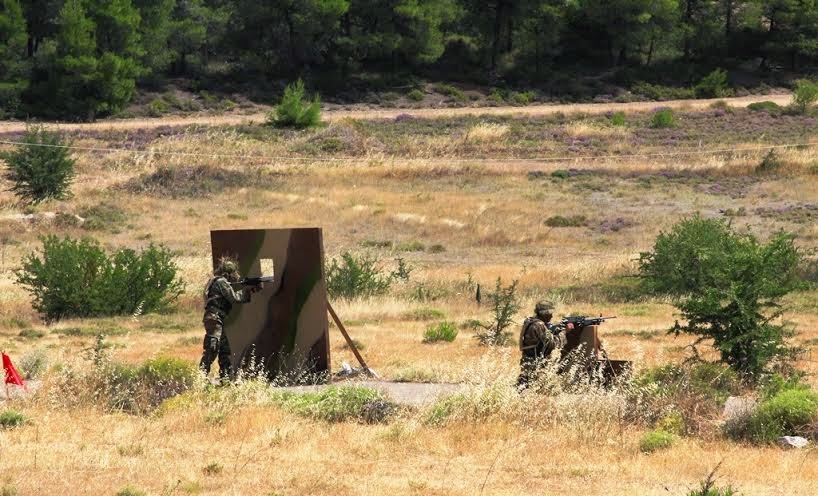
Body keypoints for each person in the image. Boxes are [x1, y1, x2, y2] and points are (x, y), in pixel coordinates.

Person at [200, 257, 263, 380]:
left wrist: (249, 290)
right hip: (214, 318)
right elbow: (234, 298)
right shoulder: (220, 282)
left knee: (224, 350)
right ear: (228, 273)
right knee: (213, 347)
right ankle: (201, 377)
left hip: (216, 319)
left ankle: (226, 377)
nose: (235, 275)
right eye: (233, 273)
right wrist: (247, 290)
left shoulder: (216, 281)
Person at [517, 300, 574, 389]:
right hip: (536, 364)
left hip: (529, 360)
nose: (551, 316)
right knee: (532, 387)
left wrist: (556, 329)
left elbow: (543, 336)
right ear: (544, 314)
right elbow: (553, 343)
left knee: (524, 386)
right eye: (549, 313)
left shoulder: (531, 321)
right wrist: (565, 332)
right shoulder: (539, 325)